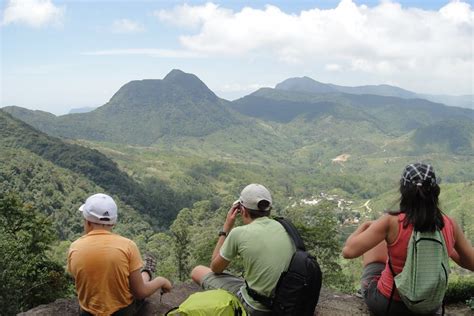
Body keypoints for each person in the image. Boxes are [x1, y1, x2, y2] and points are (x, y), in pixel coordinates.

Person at [342, 163, 474, 315]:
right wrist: (445, 248)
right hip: (429, 308)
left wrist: (365, 226)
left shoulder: (391, 222)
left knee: (378, 244)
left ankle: (368, 289)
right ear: (435, 191)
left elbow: (348, 252)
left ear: (403, 190)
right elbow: (470, 262)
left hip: (390, 304)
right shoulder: (450, 224)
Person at [191, 184, 295, 315]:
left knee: (197, 271)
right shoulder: (285, 227)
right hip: (285, 302)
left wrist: (226, 228)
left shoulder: (238, 233)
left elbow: (215, 268)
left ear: (242, 210)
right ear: (269, 209)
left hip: (256, 307)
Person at [67, 193, 172, 315]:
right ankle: (147, 271)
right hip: (121, 312)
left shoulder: (74, 247)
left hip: (88, 313)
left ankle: (146, 271)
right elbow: (140, 292)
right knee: (133, 282)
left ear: (87, 221)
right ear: (113, 223)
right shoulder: (128, 246)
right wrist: (161, 281)